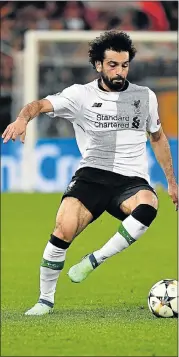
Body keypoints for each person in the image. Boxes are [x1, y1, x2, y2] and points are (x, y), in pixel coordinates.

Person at [2, 31, 178, 316]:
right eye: (112, 65)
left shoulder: (145, 97)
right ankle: (45, 300)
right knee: (62, 230)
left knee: (149, 205)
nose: (119, 71)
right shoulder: (79, 95)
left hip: (131, 180)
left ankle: (95, 259)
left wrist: (171, 181)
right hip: (92, 176)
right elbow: (39, 105)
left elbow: (157, 138)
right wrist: (23, 118)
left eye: (124, 65)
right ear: (98, 65)